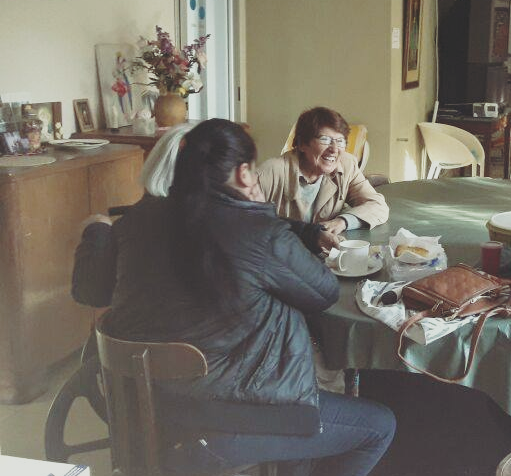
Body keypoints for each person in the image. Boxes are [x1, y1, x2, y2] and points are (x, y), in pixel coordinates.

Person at [73, 119, 395, 476]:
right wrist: (261, 212)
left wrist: (95, 233)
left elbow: (90, 289)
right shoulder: (257, 229)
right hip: (225, 418)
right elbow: (324, 292)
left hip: (146, 408)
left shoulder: (136, 220)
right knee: (379, 426)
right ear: (243, 173)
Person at [258, 107, 389, 235]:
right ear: (302, 144)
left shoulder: (347, 165)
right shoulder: (271, 172)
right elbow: (247, 219)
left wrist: (342, 222)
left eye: (340, 141)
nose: (334, 149)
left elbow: (377, 205)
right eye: (325, 140)